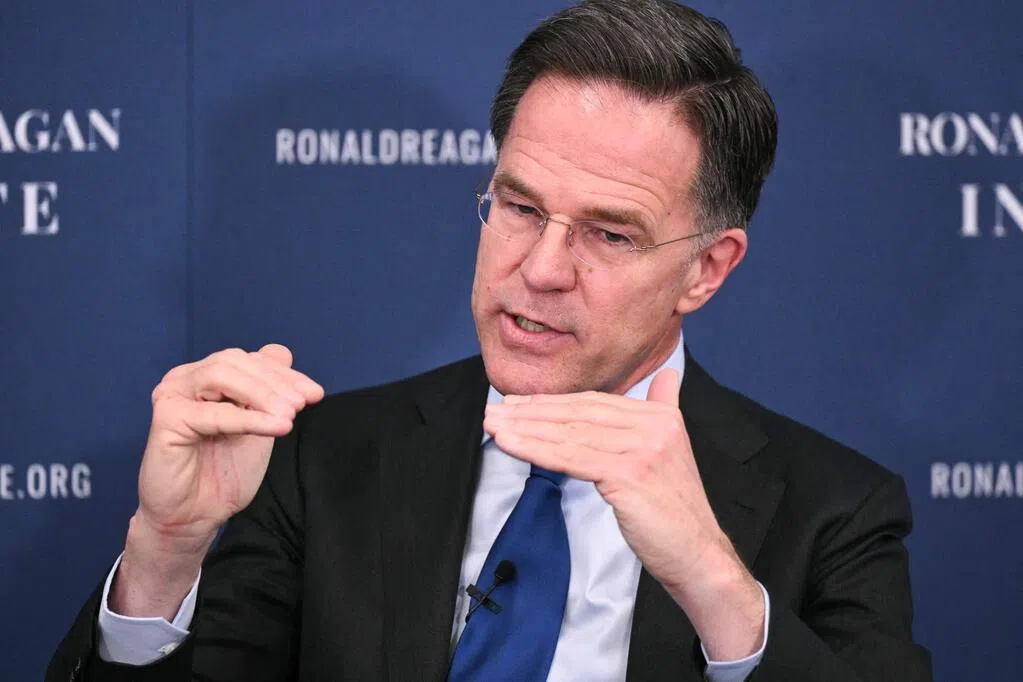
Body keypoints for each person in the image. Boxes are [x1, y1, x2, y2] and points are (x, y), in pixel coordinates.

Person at [47, 1, 933, 680]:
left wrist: (712, 581)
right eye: (519, 207)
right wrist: (167, 549)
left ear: (705, 269)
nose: (539, 270)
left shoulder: (833, 510)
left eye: (609, 233)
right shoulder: (318, 461)